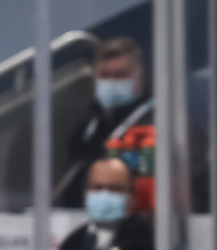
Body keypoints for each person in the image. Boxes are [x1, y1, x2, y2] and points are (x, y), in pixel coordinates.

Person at [56, 37, 153, 207]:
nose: (111, 82)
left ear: (139, 77)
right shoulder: (85, 131)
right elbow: (69, 191)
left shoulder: (158, 123)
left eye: (120, 75)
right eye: (105, 76)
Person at [57, 157, 154, 250]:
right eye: (98, 188)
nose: (105, 195)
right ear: (86, 193)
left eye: (115, 188)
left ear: (132, 196)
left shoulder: (147, 241)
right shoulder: (72, 243)